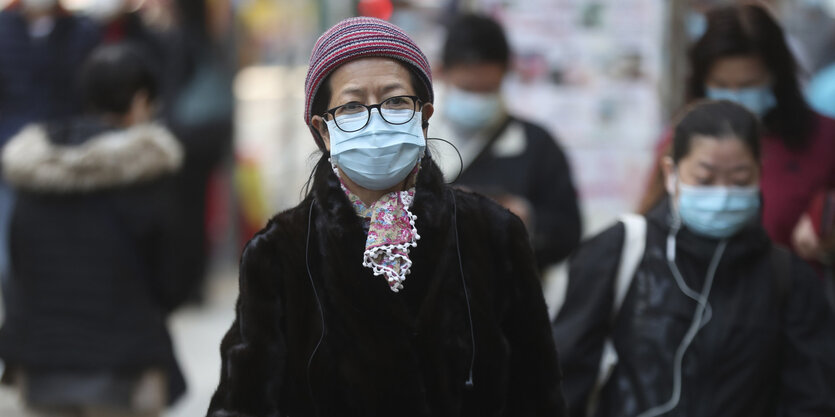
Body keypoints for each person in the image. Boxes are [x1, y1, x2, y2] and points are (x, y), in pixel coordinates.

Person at [207, 17, 565, 416]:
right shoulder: (278, 252)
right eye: (352, 105)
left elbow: (536, 391)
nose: (375, 120)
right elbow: (246, 401)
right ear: (322, 130)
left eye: (395, 101)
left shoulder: (493, 234)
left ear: (424, 115)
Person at [553, 100, 835, 417]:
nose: (724, 192)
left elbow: (811, 397)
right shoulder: (620, 251)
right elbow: (565, 373)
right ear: (672, 173)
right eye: (705, 179)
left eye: (740, 180)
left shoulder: (787, 277)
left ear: (759, 175)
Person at [0, 43, 188, 416]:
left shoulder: (34, 173)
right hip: (123, 367)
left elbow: (15, 268)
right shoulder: (147, 177)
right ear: (140, 101)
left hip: (41, 365)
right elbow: (173, 279)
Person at [637, 4, 835, 263]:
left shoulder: (823, 139)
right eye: (721, 85)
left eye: (749, 85)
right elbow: (651, 226)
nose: (735, 97)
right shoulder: (679, 138)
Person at [433, 13, 581, 270]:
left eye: (488, 90)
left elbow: (568, 231)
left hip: (506, 296)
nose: (477, 100)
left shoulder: (537, 145)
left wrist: (524, 219)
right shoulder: (415, 139)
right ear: (441, 72)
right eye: (467, 89)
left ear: (506, 74)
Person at [0, 0, 100, 296]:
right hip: (10, 157)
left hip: (64, 152)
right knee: (10, 245)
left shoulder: (81, 31)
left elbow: (84, 94)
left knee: (62, 246)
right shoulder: (5, 28)